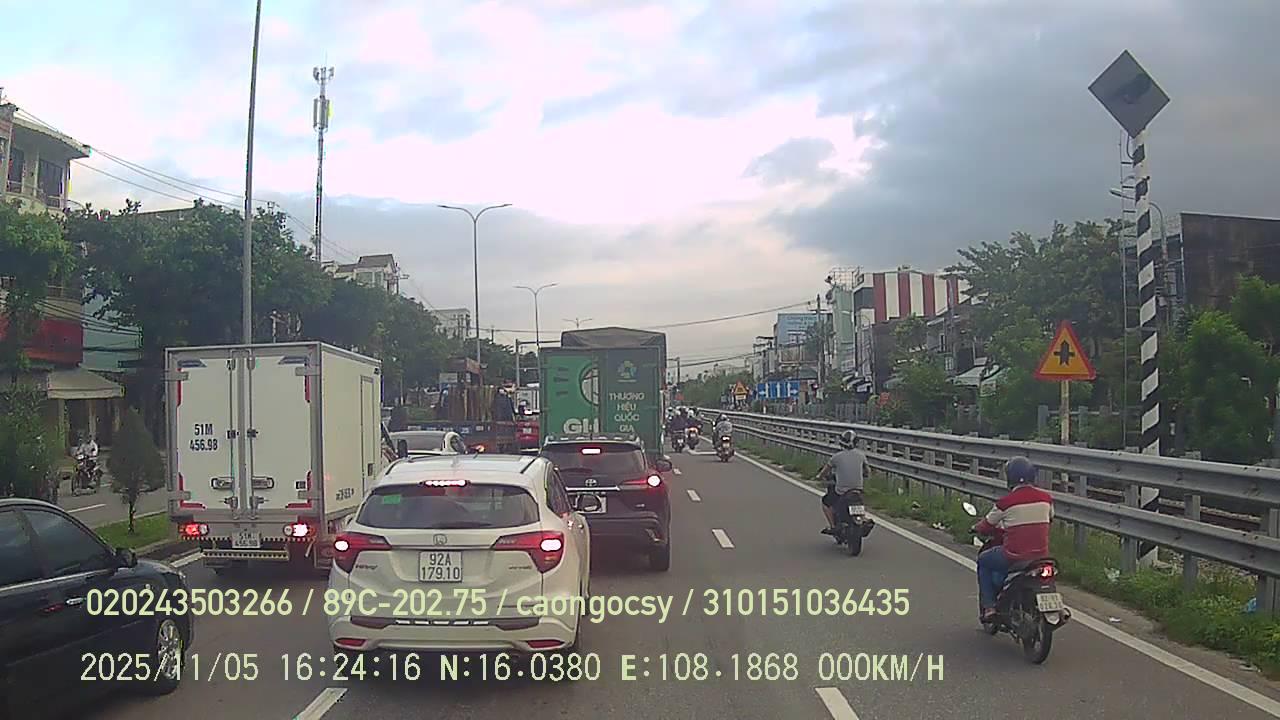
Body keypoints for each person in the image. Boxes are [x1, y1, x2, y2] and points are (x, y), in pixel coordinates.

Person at [973, 456, 1054, 621]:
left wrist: (975, 527)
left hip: (1014, 556)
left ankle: (989, 607)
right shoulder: (1046, 498)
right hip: (1041, 557)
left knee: (983, 561)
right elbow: (1050, 517)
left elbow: (986, 525)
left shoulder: (1005, 502)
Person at [817, 430, 868, 535]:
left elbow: (824, 471)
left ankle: (833, 526)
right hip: (858, 489)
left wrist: (819, 477)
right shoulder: (861, 455)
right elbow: (867, 471)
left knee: (826, 502)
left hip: (841, 491)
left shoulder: (836, 457)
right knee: (860, 502)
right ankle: (863, 519)